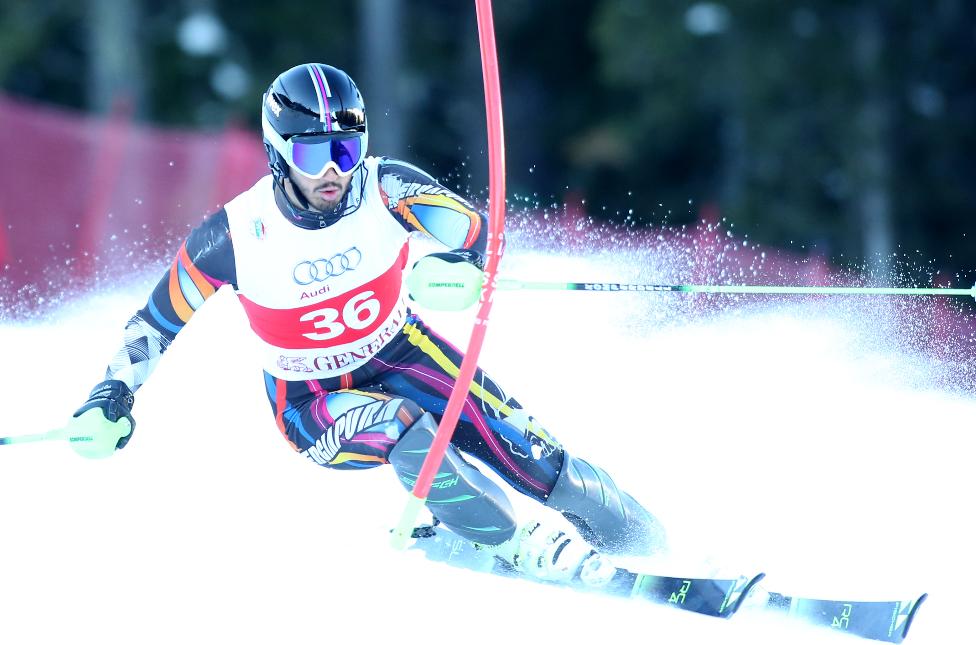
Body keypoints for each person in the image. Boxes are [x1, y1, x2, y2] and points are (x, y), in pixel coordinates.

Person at [67, 63, 664, 583]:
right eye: (312, 154)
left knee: (539, 461)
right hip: (311, 400)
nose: (334, 170)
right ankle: (513, 544)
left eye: (347, 150)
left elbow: (473, 231)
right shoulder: (232, 236)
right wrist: (111, 392)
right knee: (408, 429)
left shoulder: (386, 187)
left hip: (404, 354)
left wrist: (459, 265)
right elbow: (154, 324)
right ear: (277, 152)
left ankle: (657, 549)